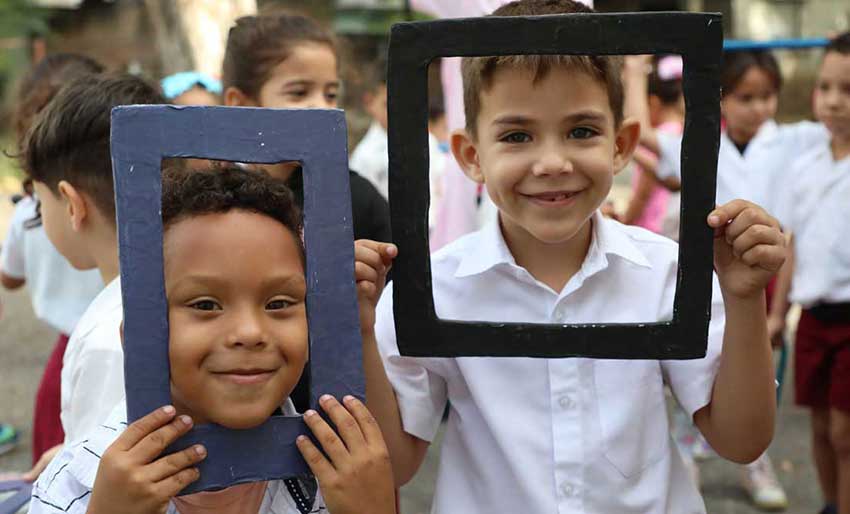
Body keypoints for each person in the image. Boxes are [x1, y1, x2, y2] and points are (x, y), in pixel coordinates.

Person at [356, 1, 787, 513]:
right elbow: (394, 465)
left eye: (581, 131)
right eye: (517, 136)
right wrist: (360, 328)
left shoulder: (664, 271)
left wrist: (743, 300)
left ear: (621, 144)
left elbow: (740, 442)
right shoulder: (438, 286)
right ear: (472, 155)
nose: (553, 163)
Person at [28, 167, 396, 514]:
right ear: (138, 337)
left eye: (278, 303)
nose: (250, 333)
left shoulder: (337, 475)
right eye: (205, 304)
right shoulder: (79, 483)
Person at [628, 48, 830, 511]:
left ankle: (756, 462)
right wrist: (635, 74)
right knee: (691, 371)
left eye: (766, 97)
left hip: (763, 277)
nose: (757, 108)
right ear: (721, 101)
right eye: (745, 97)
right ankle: (688, 457)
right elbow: (649, 143)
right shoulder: (701, 143)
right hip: (707, 277)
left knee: (758, 378)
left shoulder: (795, 142)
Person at [17, 73, 165, 452]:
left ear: (72, 204)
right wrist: (66, 458)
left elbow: (101, 481)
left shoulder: (108, 338)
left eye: (39, 200)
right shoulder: (188, 292)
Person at [0, 53, 105, 470]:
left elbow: (9, 278)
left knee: (58, 465)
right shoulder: (130, 204)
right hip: (131, 345)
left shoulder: (29, 211)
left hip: (66, 358)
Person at [221, 12, 391, 245]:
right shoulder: (214, 202)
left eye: (330, 95)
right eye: (299, 92)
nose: (322, 107)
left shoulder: (356, 199)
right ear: (240, 104)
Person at [772, 32, 850, 514]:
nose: (834, 100)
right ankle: (828, 502)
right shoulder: (804, 166)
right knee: (820, 426)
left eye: (847, 89)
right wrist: (778, 314)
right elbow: (792, 244)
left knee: (846, 431)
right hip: (814, 317)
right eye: (825, 87)